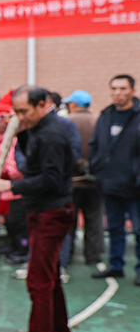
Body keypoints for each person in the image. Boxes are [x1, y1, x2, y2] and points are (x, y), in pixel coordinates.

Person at [0, 87, 74, 332]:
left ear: (43, 105)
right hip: (43, 209)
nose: (20, 116)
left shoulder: (52, 134)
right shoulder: (39, 128)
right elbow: (33, 160)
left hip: (51, 211)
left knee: (38, 280)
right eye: (17, 112)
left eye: (24, 112)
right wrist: (20, 131)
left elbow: (49, 179)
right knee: (49, 278)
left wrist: (9, 186)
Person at [89, 74, 140, 284]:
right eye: (114, 89)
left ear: (132, 91)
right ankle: (116, 266)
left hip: (135, 187)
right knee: (114, 228)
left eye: (122, 88)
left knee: (138, 230)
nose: (117, 93)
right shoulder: (106, 115)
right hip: (109, 184)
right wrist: (96, 165)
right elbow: (95, 144)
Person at [61, 90, 104, 270]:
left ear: (73, 105)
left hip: (72, 181)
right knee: (94, 220)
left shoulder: (67, 123)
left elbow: (63, 151)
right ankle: (93, 257)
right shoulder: (98, 122)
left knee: (68, 221)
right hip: (94, 181)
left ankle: (67, 255)